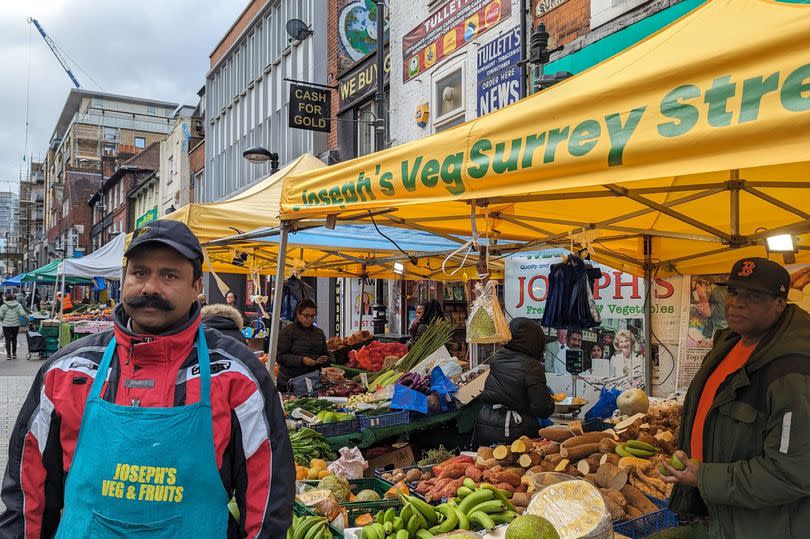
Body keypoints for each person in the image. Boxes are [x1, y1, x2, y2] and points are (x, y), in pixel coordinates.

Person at [0, 220, 294, 538]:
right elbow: (27, 493)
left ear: (197, 286)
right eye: (140, 273)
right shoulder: (68, 371)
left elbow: (267, 498)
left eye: (169, 275)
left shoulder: (237, 375)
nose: (150, 287)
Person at [665, 257, 810, 538]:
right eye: (733, 292)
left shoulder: (794, 370)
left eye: (753, 296)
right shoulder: (729, 343)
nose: (737, 302)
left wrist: (704, 477)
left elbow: (792, 473)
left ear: (780, 304)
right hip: (723, 516)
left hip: (767, 527)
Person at [475, 317, 555, 445]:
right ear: (536, 342)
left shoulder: (497, 358)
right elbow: (542, 408)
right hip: (513, 430)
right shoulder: (532, 366)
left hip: (486, 423)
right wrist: (550, 400)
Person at [276, 298, 332, 391]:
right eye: (306, 316)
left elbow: (326, 353)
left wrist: (325, 358)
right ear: (298, 314)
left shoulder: (319, 333)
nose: (310, 319)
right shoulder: (288, 331)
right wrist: (302, 360)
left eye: (312, 316)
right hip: (289, 381)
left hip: (312, 380)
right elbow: (279, 357)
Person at [0, 292, 27, 360]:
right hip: (15, 325)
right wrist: (28, 319)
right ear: (15, 299)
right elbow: (23, 314)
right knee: (14, 339)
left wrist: (2, 319)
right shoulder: (19, 305)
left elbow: (1, 316)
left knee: (7, 339)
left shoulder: (3, 306)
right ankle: (14, 354)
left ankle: (8, 355)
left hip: (6, 325)